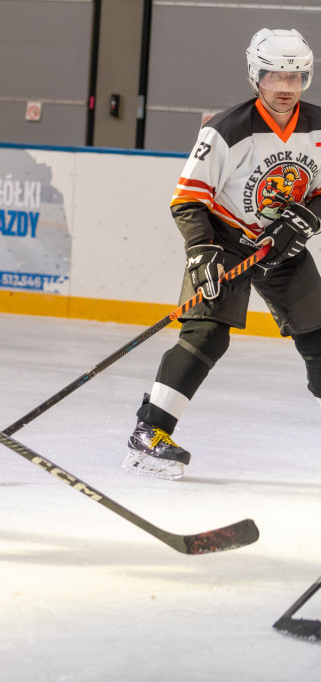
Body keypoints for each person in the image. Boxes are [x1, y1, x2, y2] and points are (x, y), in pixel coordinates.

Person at [124, 28, 321, 480]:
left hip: (282, 245)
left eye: (296, 77)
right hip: (225, 243)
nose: (286, 87)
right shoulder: (226, 130)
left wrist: (307, 218)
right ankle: (148, 434)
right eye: (276, 76)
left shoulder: (318, 126)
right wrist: (202, 250)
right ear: (256, 76)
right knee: (207, 335)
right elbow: (187, 199)